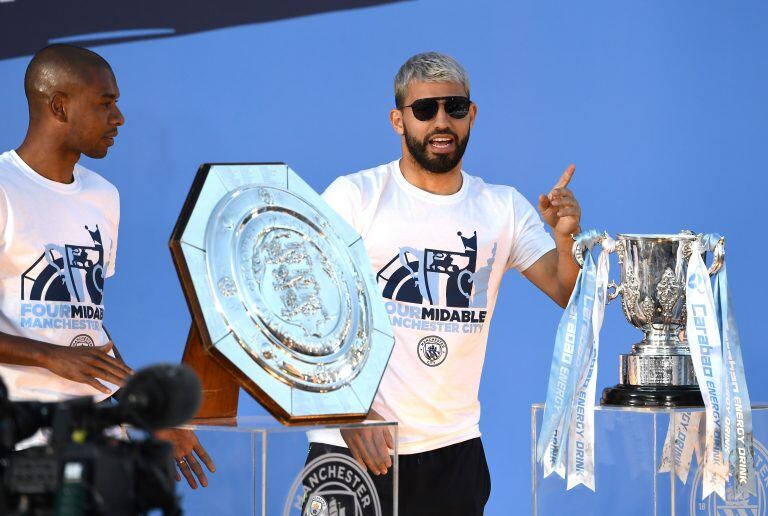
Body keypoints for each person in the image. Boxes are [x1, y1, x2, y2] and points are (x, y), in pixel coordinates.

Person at [307, 51, 583, 515]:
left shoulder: (503, 209)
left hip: (454, 451)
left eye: (454, 108)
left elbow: (565, 290)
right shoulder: (353, 198)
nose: (441, 122)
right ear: (398, 120)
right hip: (355, 444)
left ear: (471, 114)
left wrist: (565, 236)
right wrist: (348, 412)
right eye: (424, 110)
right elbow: (297, 316)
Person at [0, 44, 214, 490]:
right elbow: (61, 350)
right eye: (105, 103)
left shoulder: (104, 196)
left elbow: (86, 321)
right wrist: (48, 356)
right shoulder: (4, 188)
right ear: (59, 105)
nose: (119, 118)